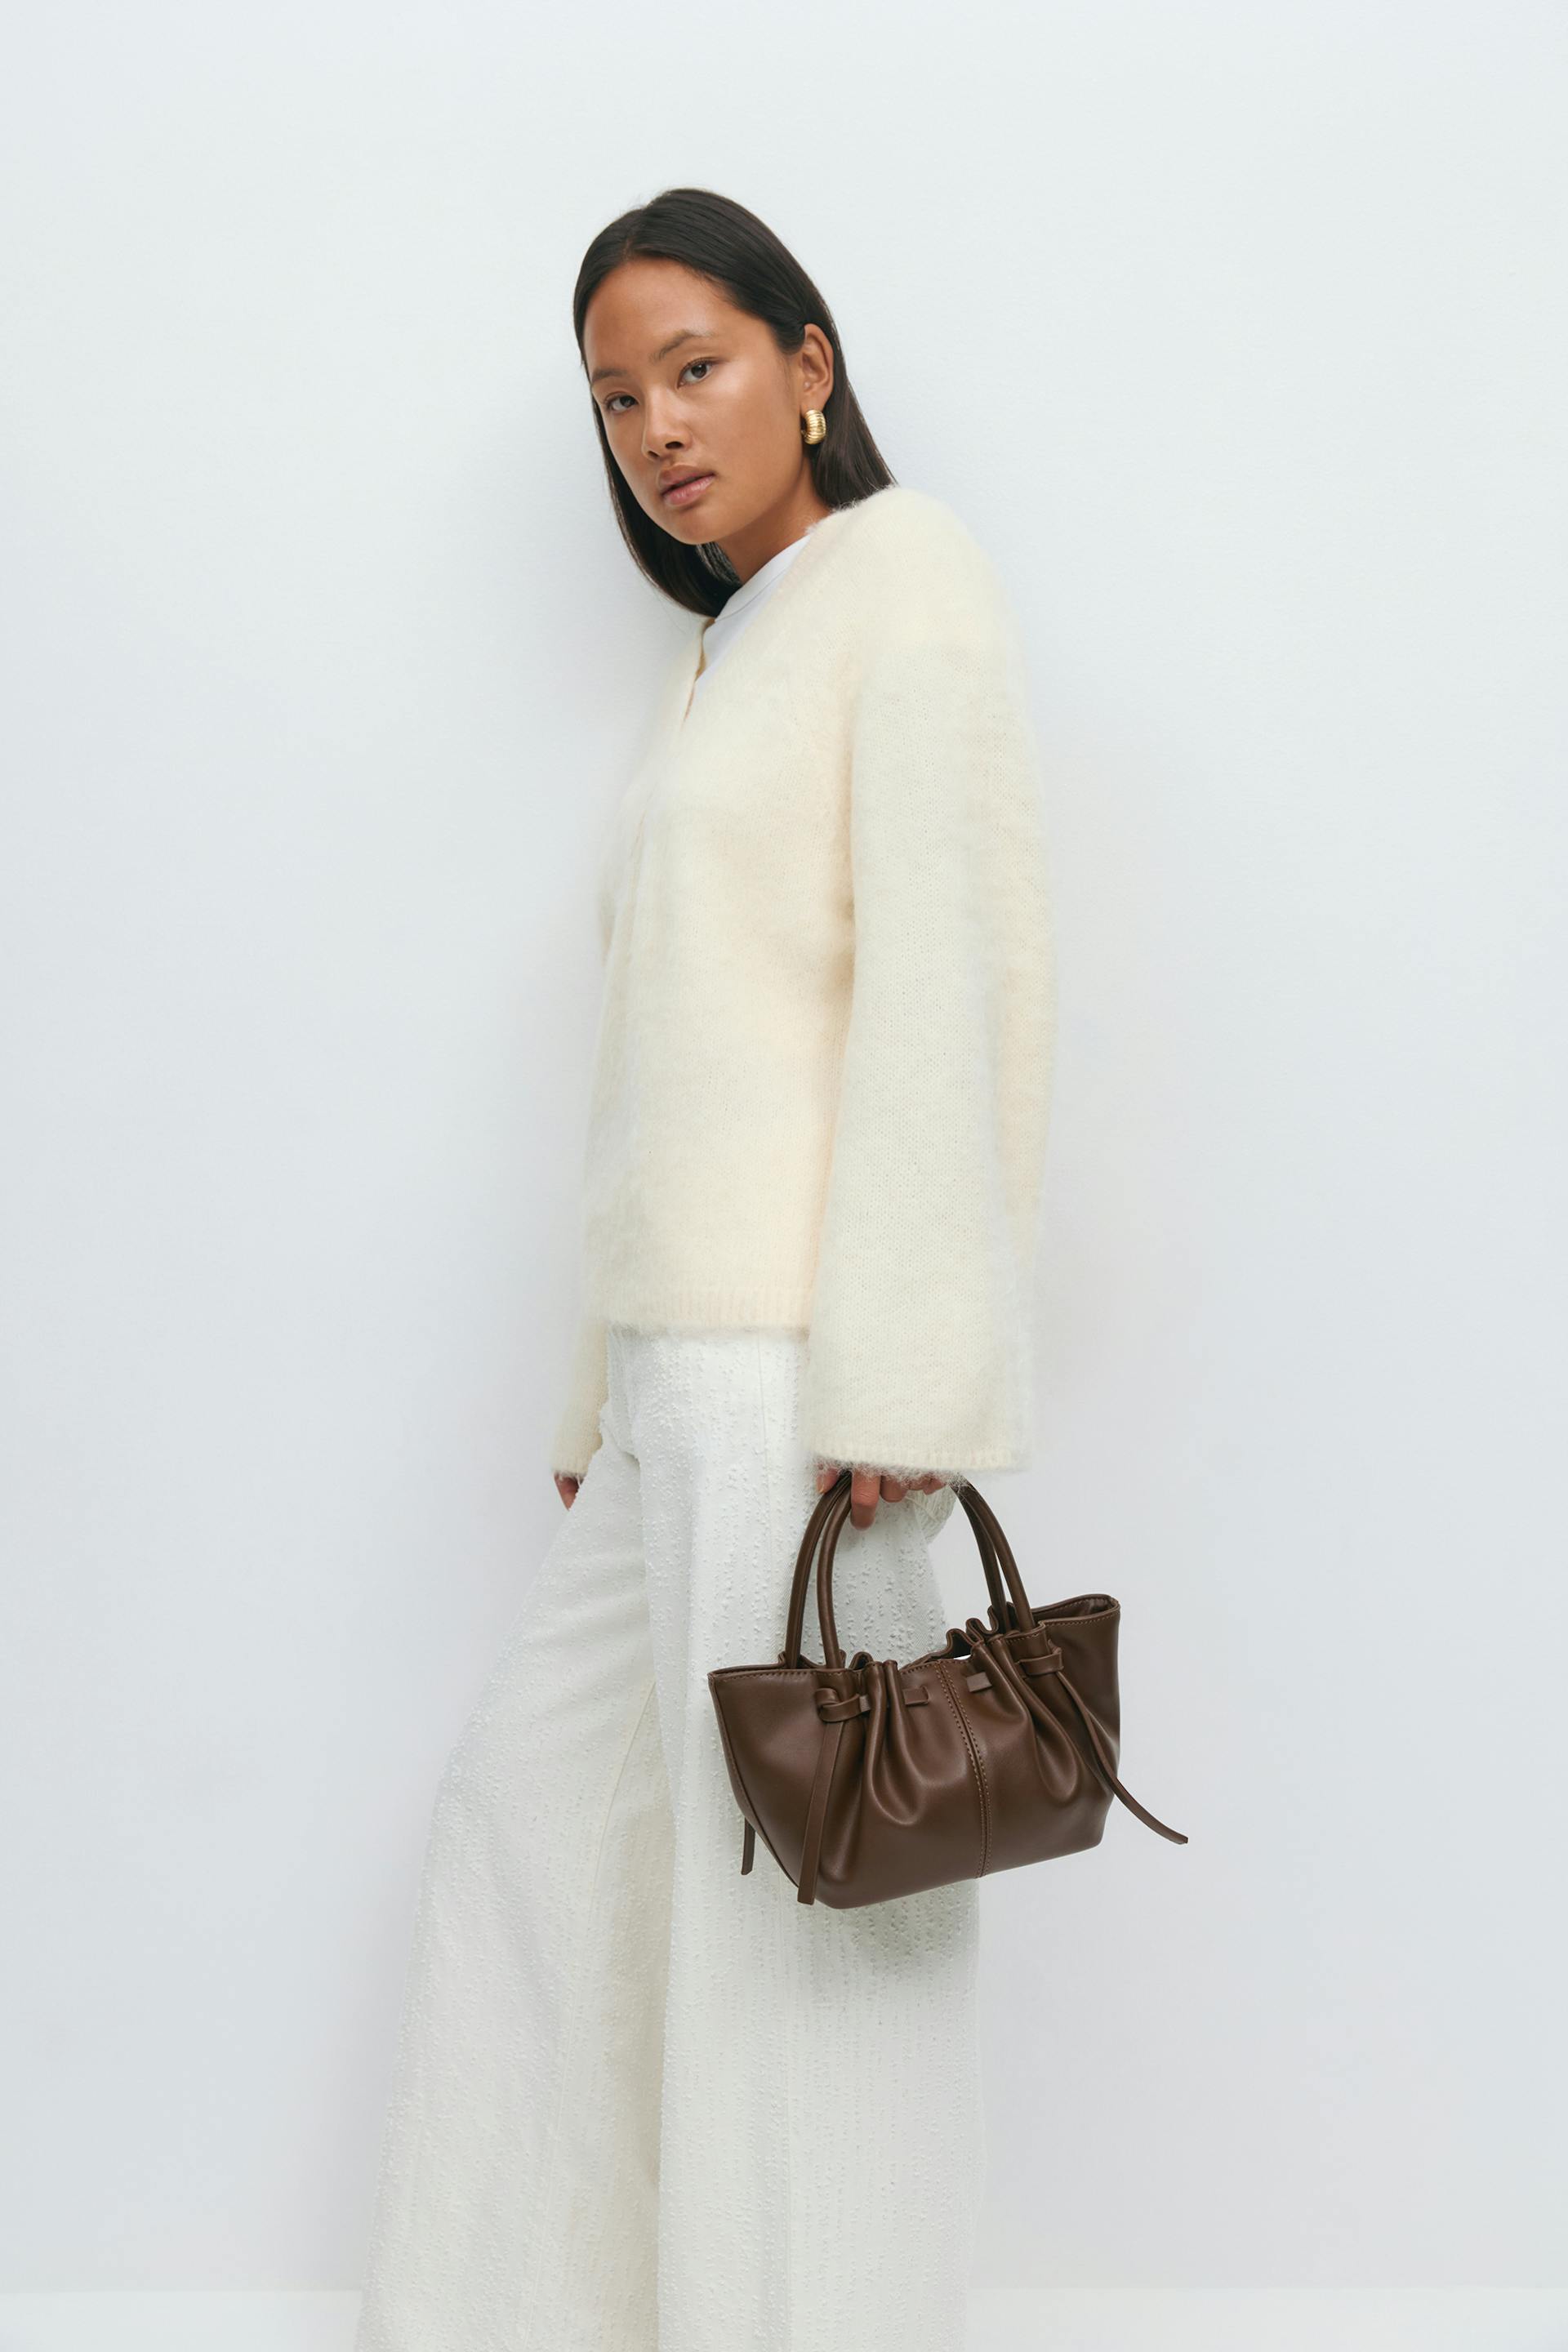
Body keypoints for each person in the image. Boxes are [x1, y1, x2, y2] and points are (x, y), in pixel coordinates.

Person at [353, 184, 1056, 2352]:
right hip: (671, 1380)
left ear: (809, 363)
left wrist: (908, 1385)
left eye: (697, 365)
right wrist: (593, 1400)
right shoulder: (724, 647)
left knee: (787, 1936)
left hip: (794, 1375)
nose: (656, 427)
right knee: (530, 1832)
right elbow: (668, 1065)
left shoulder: (904, 582)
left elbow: (958, 988)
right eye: (615, 400)